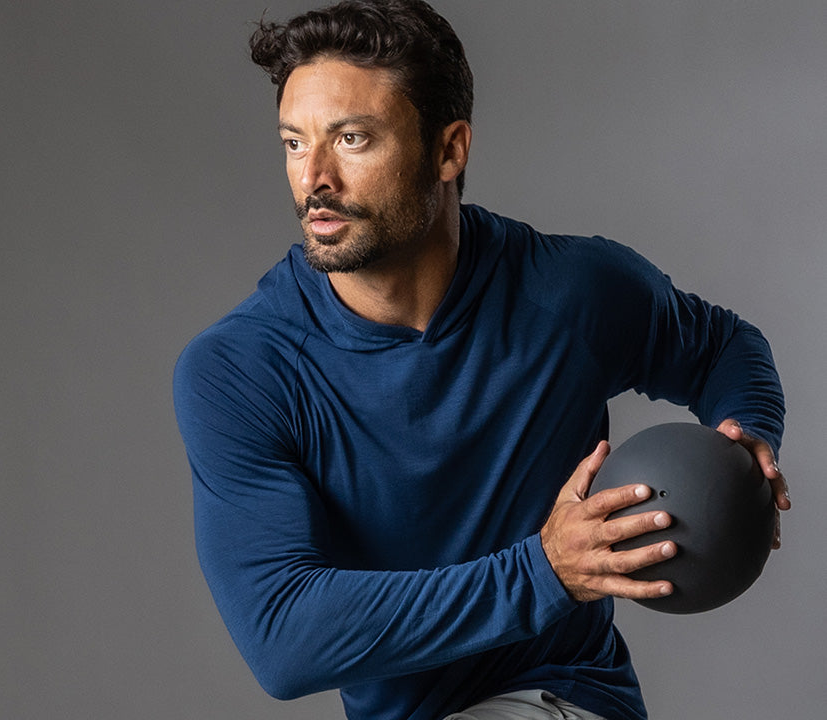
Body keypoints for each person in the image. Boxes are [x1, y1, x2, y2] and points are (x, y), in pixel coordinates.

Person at [173, 2, 790, 718]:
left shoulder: (569, 294)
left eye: (351, 139)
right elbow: (282, 637)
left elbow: (723, 347)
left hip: (561, 695)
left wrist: (746, 443)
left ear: (448, 149)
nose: (315, 179)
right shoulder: (242, 370)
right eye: (292, 142)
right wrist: (547, 571)